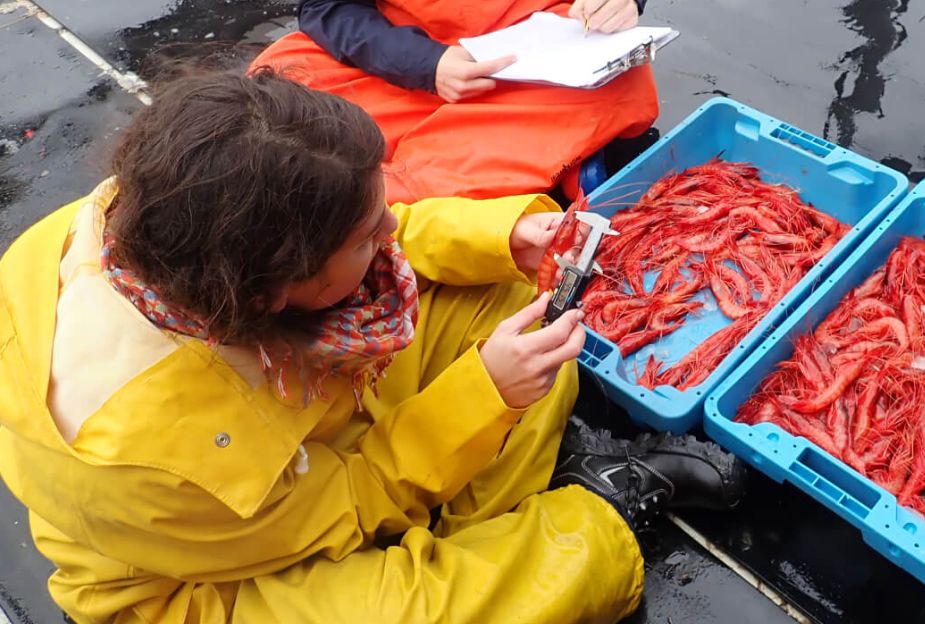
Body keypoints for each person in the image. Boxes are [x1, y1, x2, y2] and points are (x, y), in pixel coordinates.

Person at [0, 69, 744, 623]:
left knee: (505, 299)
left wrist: (498, 236)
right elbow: (355, 499)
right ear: (267, 293)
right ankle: (598, 510)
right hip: (207, 566)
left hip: (293, 433)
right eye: (367, 236)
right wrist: (486, 393)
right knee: (444, 608)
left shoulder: (161, 215)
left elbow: (372, 230)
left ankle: (479, 522)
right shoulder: (151, 450)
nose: (391, 234)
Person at [251, 0, 661, 204]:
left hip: (539, 61)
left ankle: (380, 204)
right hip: (408, 50)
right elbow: (327, 8)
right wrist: (427, 64)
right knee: (278, 83)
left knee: (622, 79)